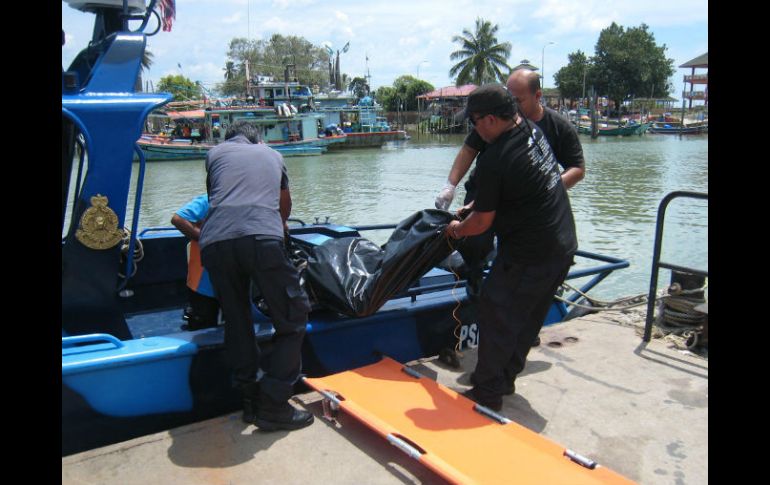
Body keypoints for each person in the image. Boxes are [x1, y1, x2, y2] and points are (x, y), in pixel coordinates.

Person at [446, 84, 577, 411]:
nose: (473, 128)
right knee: (527, 318)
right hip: (562, 244)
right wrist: (474, 204)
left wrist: (458, 229)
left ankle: (487, 394)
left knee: (496, 313)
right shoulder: (531, 131)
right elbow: (515, 187)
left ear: (490, 119)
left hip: (530, 253)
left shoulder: (496, 157)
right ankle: (503, 379)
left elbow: (480, 224)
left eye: (474, 121)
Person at [436, 69, 585, 341]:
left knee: (516, 255)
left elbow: (577, 168)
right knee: (476, 243)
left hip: (526, 210)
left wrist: (545, 189)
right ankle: (475, 283)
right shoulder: (496, 122)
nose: (511, 106)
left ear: (537, 96)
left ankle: (515, 325)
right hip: (487, 194)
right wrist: (451, 185)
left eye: (516, 100)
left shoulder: (552, 127)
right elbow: (469, 149)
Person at [199, 120, 313, 431]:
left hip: (213, 242)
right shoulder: (272, 155)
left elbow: (216, 199)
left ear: (229, 139)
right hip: (261, 238)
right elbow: (283, 207)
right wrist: (275, 227)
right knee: (293, 317)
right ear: (257, 139)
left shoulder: (214, 154)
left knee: (237, 322)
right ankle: (274, 404)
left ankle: (249, 403)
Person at [171, 194, 221, 331]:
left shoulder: (247, 200)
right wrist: (206, 239)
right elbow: (178, 219)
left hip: (232, 277)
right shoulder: (208, 199)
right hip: (203, 281)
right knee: (203, 325)